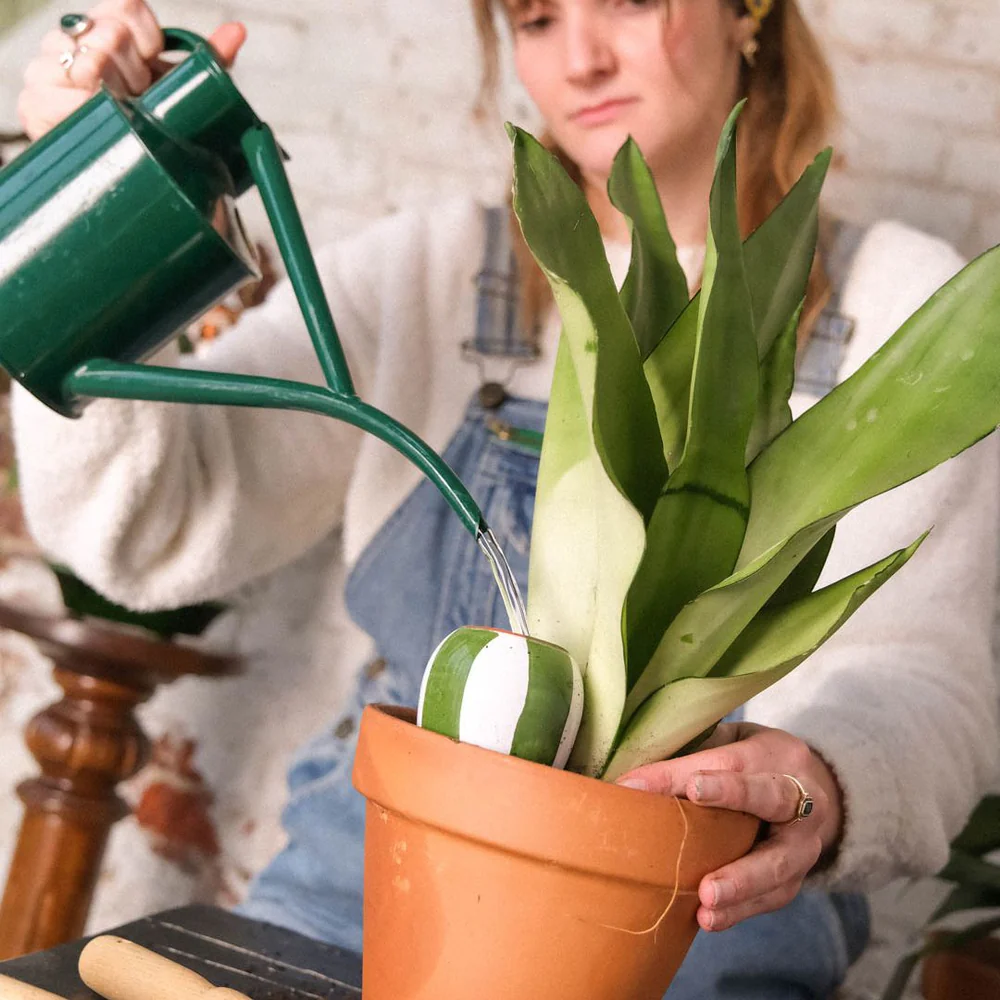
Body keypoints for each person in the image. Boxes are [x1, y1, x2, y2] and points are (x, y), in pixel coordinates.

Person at [12, 0, 1000, 996]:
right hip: (363, 902)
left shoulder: (897, 305)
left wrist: (823, 779)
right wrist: (82, 201)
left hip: (695, 935)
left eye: (627, 1)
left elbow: (932, 682)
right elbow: (145, 529)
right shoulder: (440, 273)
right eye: (534, 18)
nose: (580, 59)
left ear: (747, 14)